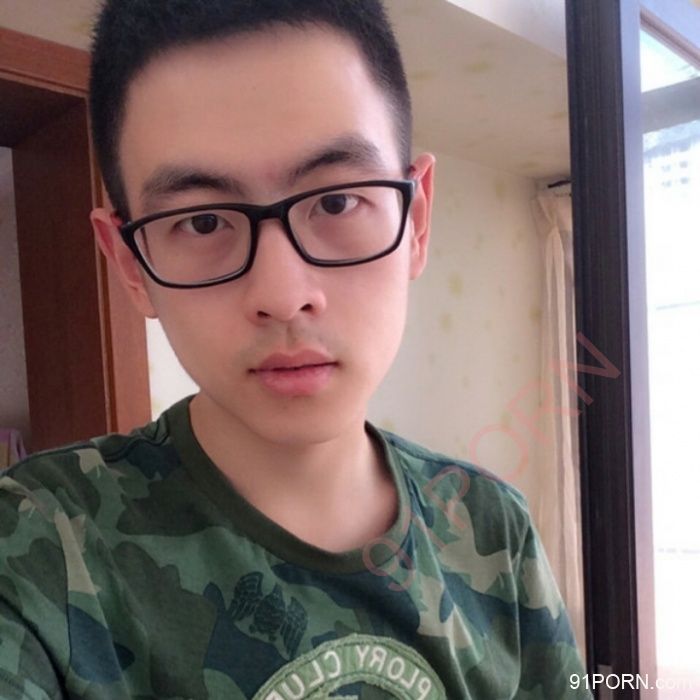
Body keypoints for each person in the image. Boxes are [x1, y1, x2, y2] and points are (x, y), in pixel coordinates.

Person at [0, 1, 590, 697]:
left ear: (416, 220)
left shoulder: (493, 526)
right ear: (130, 265)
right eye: (203, 221)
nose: (282, 295)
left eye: (336, 202)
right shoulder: (38, 547)